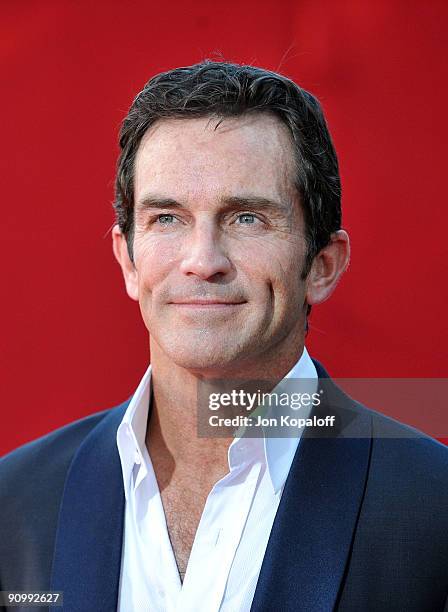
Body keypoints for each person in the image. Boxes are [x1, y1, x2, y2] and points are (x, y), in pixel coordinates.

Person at [1, 61, 447, 612]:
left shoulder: (434, 509)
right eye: (167, 218)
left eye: (247, 219)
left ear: (323, 265)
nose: (203, 261)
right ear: (128, 261)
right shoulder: (13, 505)